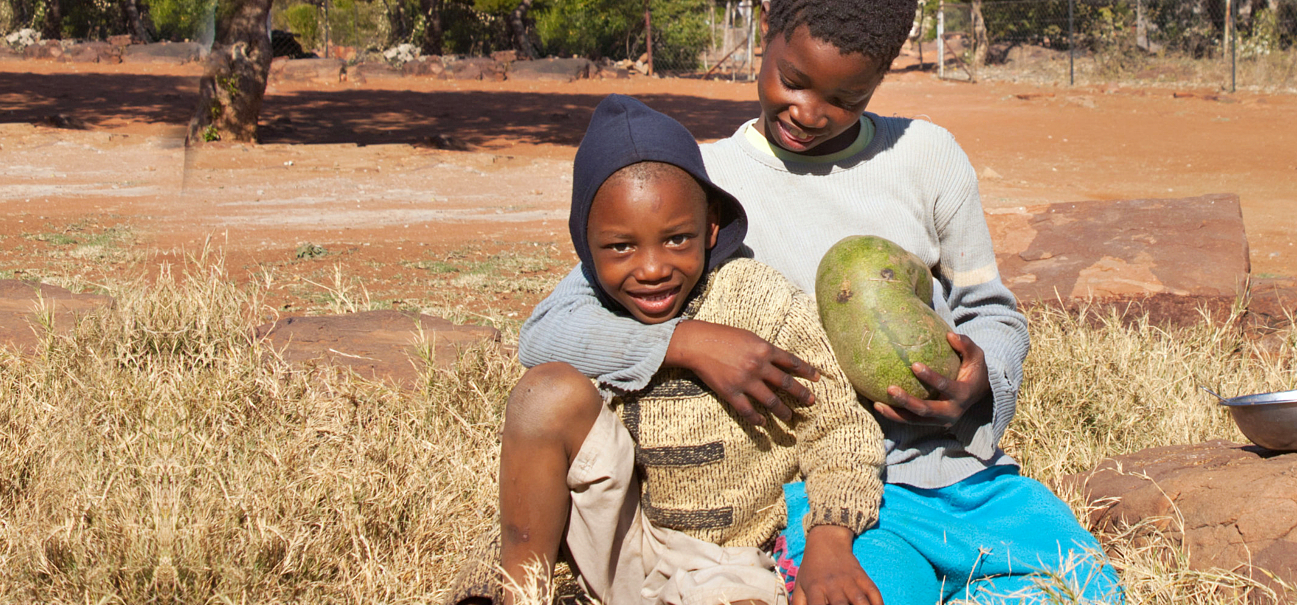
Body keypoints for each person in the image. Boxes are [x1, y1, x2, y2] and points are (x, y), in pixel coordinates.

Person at [513, 0, 1124, 601]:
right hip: (818, 486)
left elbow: (990, 310)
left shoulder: (926, 157)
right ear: (766, 31)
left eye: (845, 98)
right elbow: (551, 327)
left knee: (1090, 588)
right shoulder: (704, 186)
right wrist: (688, 341)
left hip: (956, 472)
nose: (809, 112)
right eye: (793, 81)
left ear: (880, 79)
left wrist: (980, 378)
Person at [450, 94, 888, 605]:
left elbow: (841, 427)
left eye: (678, 239)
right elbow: (536, 348)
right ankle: (517, 588)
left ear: (711, 227)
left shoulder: (763, 303)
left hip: (732, 561)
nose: (653, 268)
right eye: (620, 247)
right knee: (545, 391)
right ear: (584, 244)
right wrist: (682, 342)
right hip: (619, 542)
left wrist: (830, 539)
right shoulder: (590, 307)